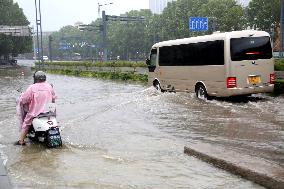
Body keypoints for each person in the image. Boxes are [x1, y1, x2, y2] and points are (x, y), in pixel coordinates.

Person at [15, 71, 57, 145]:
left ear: (35, 79)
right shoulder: (49, 86)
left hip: (35, 113)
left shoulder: (32, 87)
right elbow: (53, 99)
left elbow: (24, 100)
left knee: (26, 123)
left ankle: (21, 141)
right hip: (49, 113)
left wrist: (20, 99)